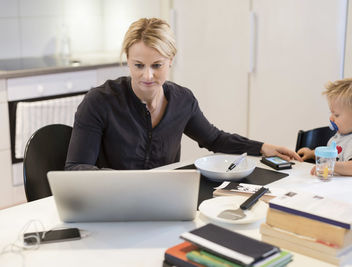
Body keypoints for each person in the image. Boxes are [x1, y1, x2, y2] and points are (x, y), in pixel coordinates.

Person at [65, 18, 301, 170]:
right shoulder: (100, 101)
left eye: (157, 65)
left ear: (170, 61)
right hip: (111, 201)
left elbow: (214, 139)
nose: (147, 76)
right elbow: (76, 167)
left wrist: (262, 147)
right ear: (127, 60)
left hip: (163, 200)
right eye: (139, 65)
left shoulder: (182, 101)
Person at [297, 77, 352, 176]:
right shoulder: (345, 133)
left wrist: (331, 165)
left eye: (336, 115)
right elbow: (333, 154)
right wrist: (313, 153)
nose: (331, 118)